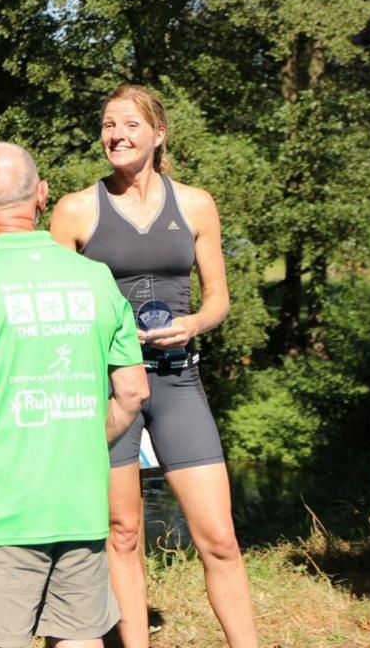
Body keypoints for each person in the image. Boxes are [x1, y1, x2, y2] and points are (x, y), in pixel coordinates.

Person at [0, 142, 149, 648]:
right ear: (43, 195)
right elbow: (132, 393)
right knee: (82, 637)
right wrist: (85, 442)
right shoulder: (96, 277)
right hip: (80, 505)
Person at [50, 85, 259, 647]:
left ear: (159, 134)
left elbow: (218, 298)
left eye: (130, 125)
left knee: (218, 536)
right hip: (109, 389)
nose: (116, 134)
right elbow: (56, 308)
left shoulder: (195, 204)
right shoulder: (75, 210)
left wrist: (191, 324)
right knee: (122, 533)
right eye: (108, 124)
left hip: (176, 379)